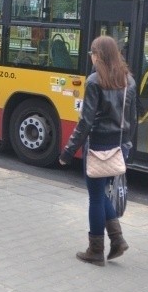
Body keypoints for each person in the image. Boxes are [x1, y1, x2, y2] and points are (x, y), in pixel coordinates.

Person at [59, 35, 137, 266]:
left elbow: (86, 122)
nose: (91, 58)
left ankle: (96, 250)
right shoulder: (128, 81)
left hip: (98, 145)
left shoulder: (94, 81)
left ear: (98, 55)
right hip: (118, 146)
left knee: (95, 197)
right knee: (102, 194)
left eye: (92, 54)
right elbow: (132, 119)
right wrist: (127, 146)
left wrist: (67, 152)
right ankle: (117, 239)